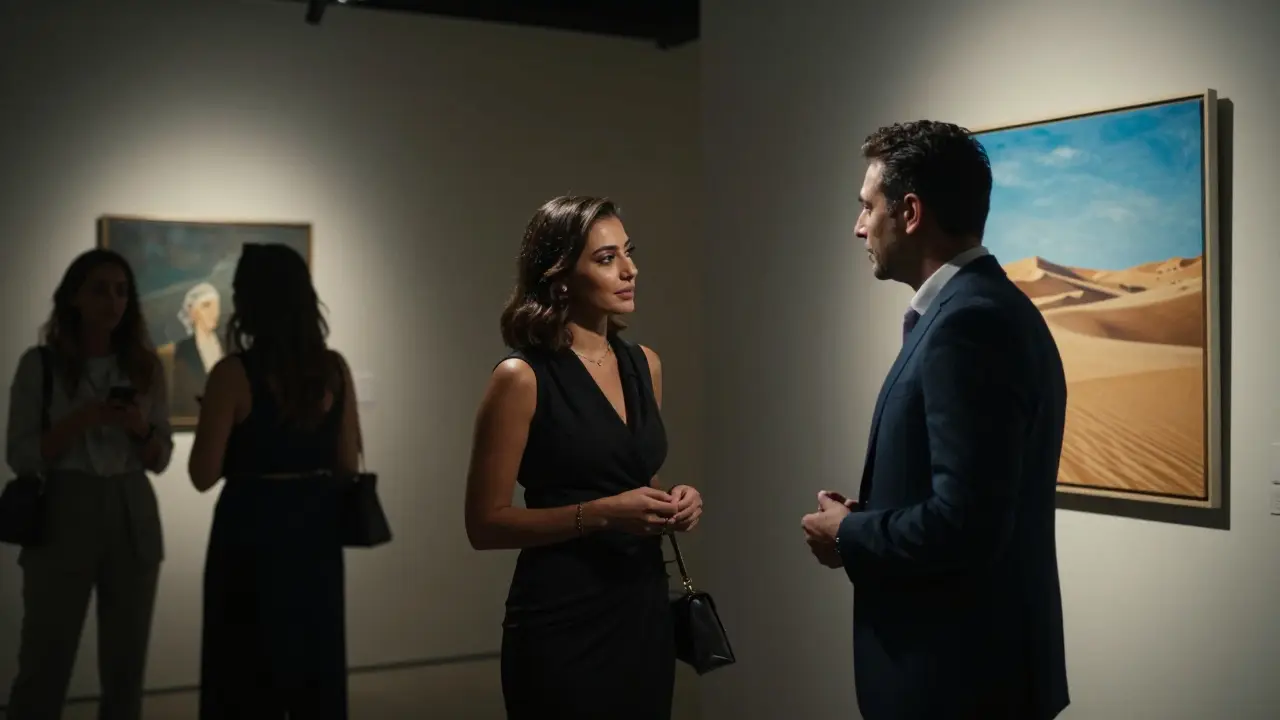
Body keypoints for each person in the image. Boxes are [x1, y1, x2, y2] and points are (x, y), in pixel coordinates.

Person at [800, 120, 1070, 720]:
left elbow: (966, 523)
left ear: (910, 212)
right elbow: (968, 496)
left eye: (868, 206)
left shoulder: (969, 324)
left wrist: (849, 534)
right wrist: (869, 517)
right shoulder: (983, 307)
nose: (859, 226)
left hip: (957, 682)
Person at [465, 195, 704, 719]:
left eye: (628, 253)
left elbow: (631, 475)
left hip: (642, 605)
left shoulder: (645, 365)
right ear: (561, 279)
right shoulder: (521, 377)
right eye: (606, 258)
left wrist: (673, 501)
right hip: (562, 616)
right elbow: (484, 525)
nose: (629, 270)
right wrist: (601, 514)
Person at [188, 243, 362, 719]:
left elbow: (202, 475)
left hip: (248, 531)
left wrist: (219, 427)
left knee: (242, 671)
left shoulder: (232, 374)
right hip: (315, 530)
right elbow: (347, 464)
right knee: (313, 664)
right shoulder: (334, 370)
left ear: (249, 301)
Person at [5, 249, 174, 720]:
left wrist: (138, 427)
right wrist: (81, 420)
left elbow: (161, 458)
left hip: (131, 506)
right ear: (74, 298)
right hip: (64, 505)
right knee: (44, 661)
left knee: (126, 669)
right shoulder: (40, 365)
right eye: (99, 290)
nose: (112, 302)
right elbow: (20, 455)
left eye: (121, 291)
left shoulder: (145, 367)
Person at [171, 282, 224, 419]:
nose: (214, 312)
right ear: (192, 312)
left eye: (216, 305)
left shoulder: (228, 344)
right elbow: (182, 395)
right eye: (206, 306)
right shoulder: (183, 350)